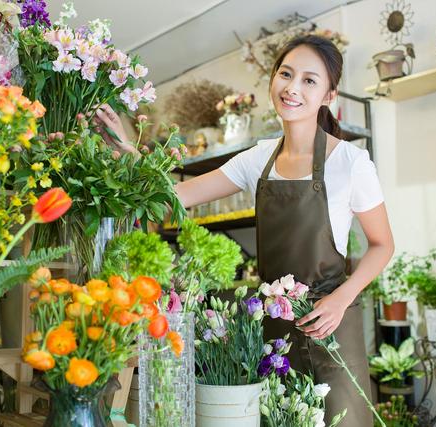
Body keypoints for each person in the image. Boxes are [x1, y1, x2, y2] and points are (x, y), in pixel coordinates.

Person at [94, 35, 394, 426]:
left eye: (309, 80)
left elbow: (382, 245)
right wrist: (129, 153)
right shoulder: (258, 160)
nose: (292, 87)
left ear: (328, 96)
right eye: (286, 74)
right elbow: (176, 195)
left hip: (331, 324)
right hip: (273, 327)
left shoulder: (351, 163)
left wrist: (341, 299)